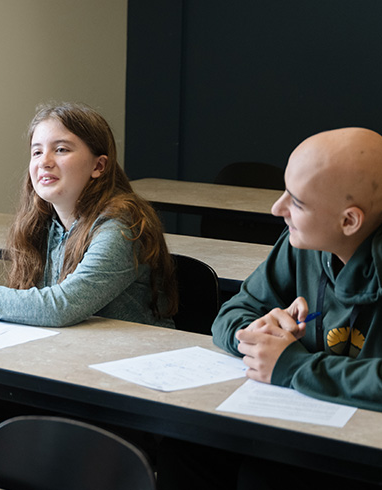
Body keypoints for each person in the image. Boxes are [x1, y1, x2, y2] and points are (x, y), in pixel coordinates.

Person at [0, 102, 178, 474]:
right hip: (70, 378)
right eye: (37, 151)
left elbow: (60, 306)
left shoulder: (122, 225)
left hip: (124, 394)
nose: (45, 161)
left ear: (99, 166)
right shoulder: (45, 223)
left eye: (62, 149)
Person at [158, 127, 382, 490]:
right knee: (184, 451)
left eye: (297, 202)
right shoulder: (304, 241)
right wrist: (258, 335)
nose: (277, 209)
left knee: (264, 478)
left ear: (349, 221)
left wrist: (292, 366)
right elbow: (234, 312)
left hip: (366, 442)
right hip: (305, 418)